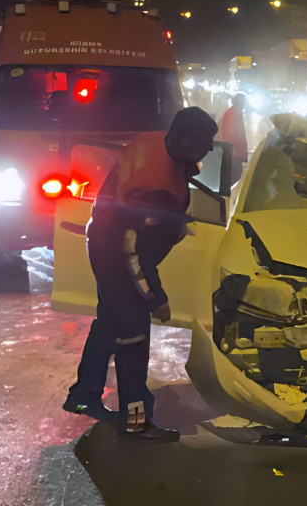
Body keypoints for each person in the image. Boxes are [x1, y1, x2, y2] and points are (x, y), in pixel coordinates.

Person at [64, 106, 218, 442]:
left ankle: (83, 396)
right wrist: (154, 296)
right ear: (185, 139)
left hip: (104, 241)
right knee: (132, 340)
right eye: (206, 142)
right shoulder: (153, 189)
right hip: (119, 259)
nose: (209, 149)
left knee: (109, 324)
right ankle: (136, 422)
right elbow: (131, 252)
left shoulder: (154, 143)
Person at [218, 92, 249, 185]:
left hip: (233, 154)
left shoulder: (234, 111)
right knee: (233, 181)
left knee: (234, 180)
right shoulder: (234, 113)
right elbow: (230, 134)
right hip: (232, 155)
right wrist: (235, 151)